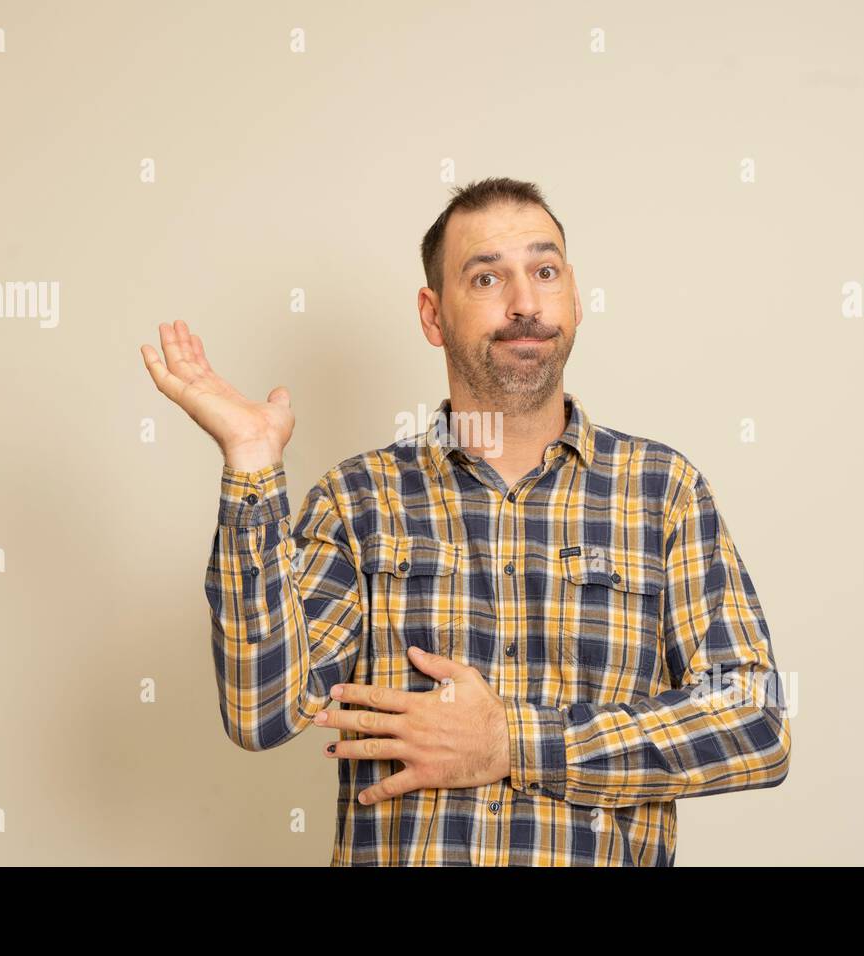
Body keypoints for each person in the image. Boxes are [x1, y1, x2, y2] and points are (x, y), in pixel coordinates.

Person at [141, 176, 791, 866]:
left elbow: (754, 720)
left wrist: (514, 742)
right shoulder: (358, 501)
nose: (525, 304)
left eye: (544, 272)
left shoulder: (664, 492)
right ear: (432, 314)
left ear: (574, 295)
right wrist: (250, 463)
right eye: (486, 279)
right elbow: (260, 710)